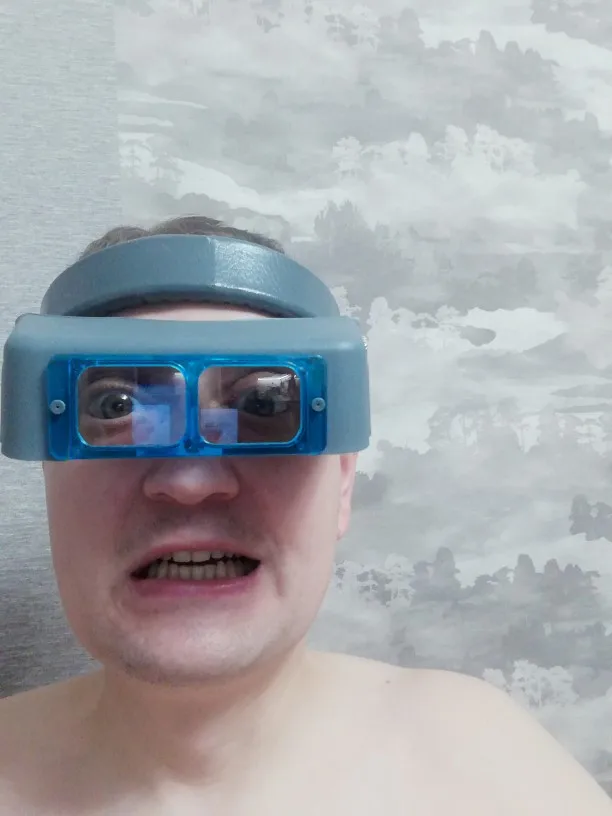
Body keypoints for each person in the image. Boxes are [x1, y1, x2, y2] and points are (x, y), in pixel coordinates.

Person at [0, 215, 610, 816]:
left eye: (264, 404)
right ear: (49, 480)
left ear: (342, 483)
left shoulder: (486, 768)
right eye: (117, 406)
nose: (190, 481)